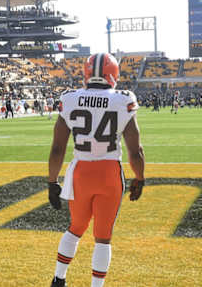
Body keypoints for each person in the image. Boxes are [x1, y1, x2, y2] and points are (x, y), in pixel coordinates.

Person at [47, 53, 145, 287]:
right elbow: (136, 150)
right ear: (114, 75)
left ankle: (59, 279)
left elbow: (58, 148)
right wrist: (140, 178)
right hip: (109, 173)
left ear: (87, 73)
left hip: (81, 172)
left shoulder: (70, 98)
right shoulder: (123, 99)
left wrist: (52, 181)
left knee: (75, 228)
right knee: (102, 238)